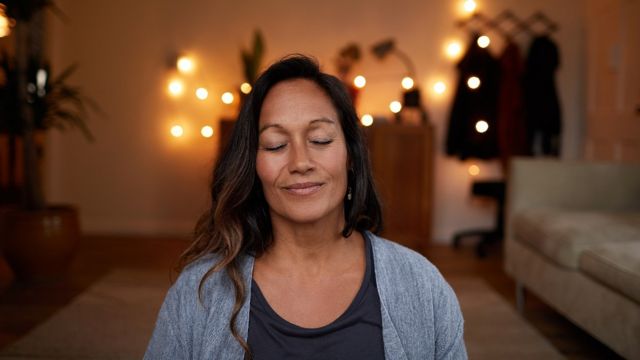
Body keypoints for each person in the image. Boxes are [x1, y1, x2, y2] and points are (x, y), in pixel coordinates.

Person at [144, 55, 467, 360]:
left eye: (321, 139)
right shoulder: (200, 291)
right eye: (276, 145)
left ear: (351, 156)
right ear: (252, 165)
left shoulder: (422, 285)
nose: (300, 162)